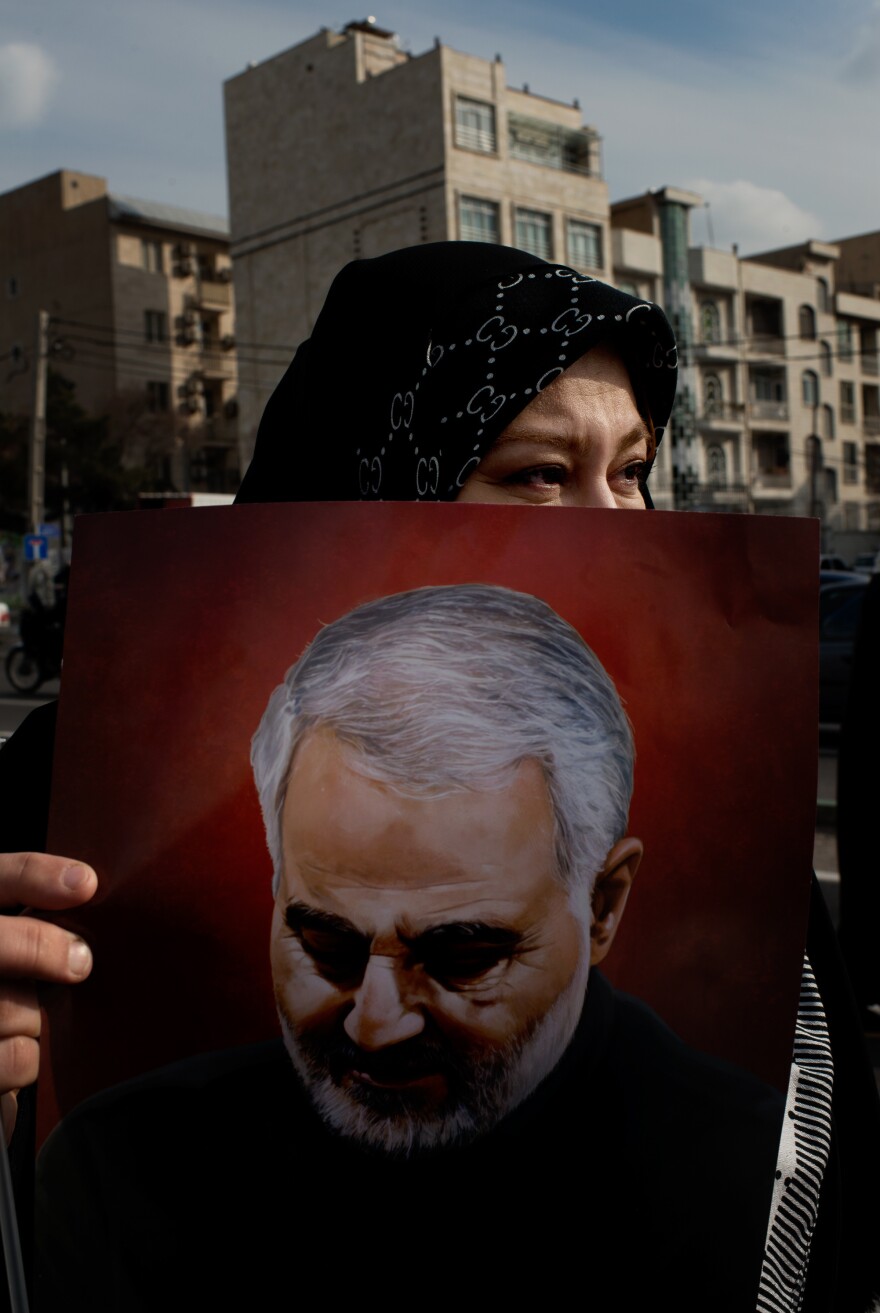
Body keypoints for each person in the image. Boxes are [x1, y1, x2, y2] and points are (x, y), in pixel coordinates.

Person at [0, 241, 877, 1311]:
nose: (616, 525)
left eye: (634, 469)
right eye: (540, 474)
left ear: (605, 900)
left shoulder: (715, 1117)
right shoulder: (119, 1141)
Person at [35, 584, 783, 1310]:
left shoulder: (751, 1182)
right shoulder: (124, 1169)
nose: (375, 1022)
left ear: (602, 905)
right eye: (327, 943)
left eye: (462, 958)